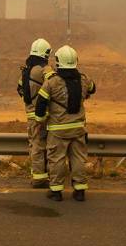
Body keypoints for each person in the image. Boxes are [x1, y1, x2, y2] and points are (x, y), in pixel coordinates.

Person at [34, 45, 95, 202]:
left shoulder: (51, 82)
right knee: (79, 160)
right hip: (78, 128)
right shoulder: (84, 79)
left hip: (57, 130)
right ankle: (80, 191)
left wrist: (40, 121)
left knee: (57, 160)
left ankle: (56, 191)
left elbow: (40, 104)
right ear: (75, 61)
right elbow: (93, 88)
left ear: (58, 62)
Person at [17, 38, 54, 188]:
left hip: (30, 114)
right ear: (45, 54)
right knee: (42, 146)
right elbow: (55, 85)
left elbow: (20, 89)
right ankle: (40, 179)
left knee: (35, 145)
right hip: (42, 115)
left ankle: (38, 175)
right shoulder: (43, 69)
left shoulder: (26, 70)